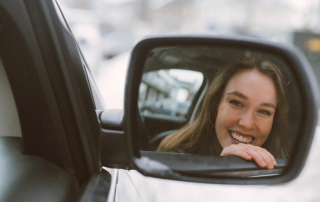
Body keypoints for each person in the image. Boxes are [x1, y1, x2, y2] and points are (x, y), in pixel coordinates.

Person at [157, 57, 290, 169]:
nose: (247, 124)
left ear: (275, 121)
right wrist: (222, 167)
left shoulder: (283, 165)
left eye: (264, 111)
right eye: (236, 103)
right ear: (215, 105)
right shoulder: (175, 154)